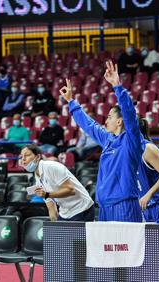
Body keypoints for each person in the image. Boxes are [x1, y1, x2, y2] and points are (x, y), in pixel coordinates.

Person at [59, 61, 144, 222]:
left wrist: (117, 86)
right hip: (105, 206)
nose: (106, 121)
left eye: (110, 117)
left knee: (128, 247)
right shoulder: (108, 139)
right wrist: (71, 102)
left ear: (120, 121)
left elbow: (130, 115)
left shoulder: (131, 140)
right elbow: (89, 125)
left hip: (124, 205)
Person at [19, 144, 94, 221]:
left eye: (27, 155)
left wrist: (47, 194)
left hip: (82, 208)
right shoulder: (37, 177)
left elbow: (71, 190)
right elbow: (51, 206)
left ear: (37, 157)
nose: (23, 159)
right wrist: (53, 224)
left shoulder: (52, 167)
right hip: (65, 212)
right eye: (21, 156)